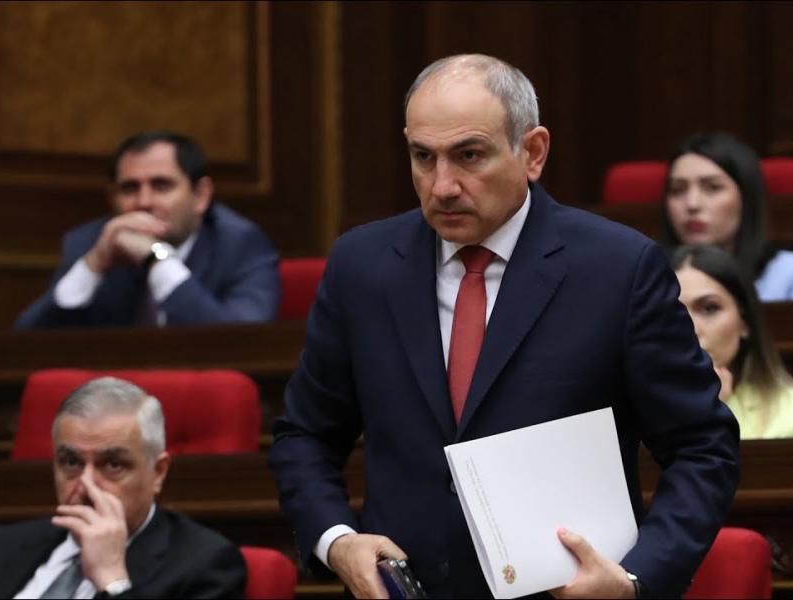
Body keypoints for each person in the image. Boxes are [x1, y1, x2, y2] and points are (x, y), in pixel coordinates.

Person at [269, 54, 739, 599]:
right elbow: (305, 435)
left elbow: (702, 447)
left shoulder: (617, 269)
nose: (442, 185)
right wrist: (337, 540)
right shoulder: (362, 266)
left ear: (532, 152)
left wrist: (635, 579)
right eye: (423, 157)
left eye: (469, 155)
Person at [0, 377, 246, 599]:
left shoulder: (205, 566)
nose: (86, 484)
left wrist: (112, 581)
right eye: (71, 462)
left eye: (113, 465)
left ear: (158, 472)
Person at [15, 131, 280, 329]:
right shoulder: (90, 242)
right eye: (129, 188)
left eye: (161, 186)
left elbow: (239, 341)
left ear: (200, 195)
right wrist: (93, 265)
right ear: (112, 198)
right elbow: (27, 342)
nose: (143, 202)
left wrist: (157, 258)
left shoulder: (240, 244)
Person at [672, 244, 793, 439]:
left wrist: (710, 414)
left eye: (710, 308)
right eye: (672, 312)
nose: (691, 329)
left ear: (744, 322)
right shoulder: (639, 411)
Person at [661, 131, 793, 302]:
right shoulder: (647, 275)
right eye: (677, 190)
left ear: (746, 198)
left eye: (713, 188)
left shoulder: (792, 272)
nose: (692, 204)